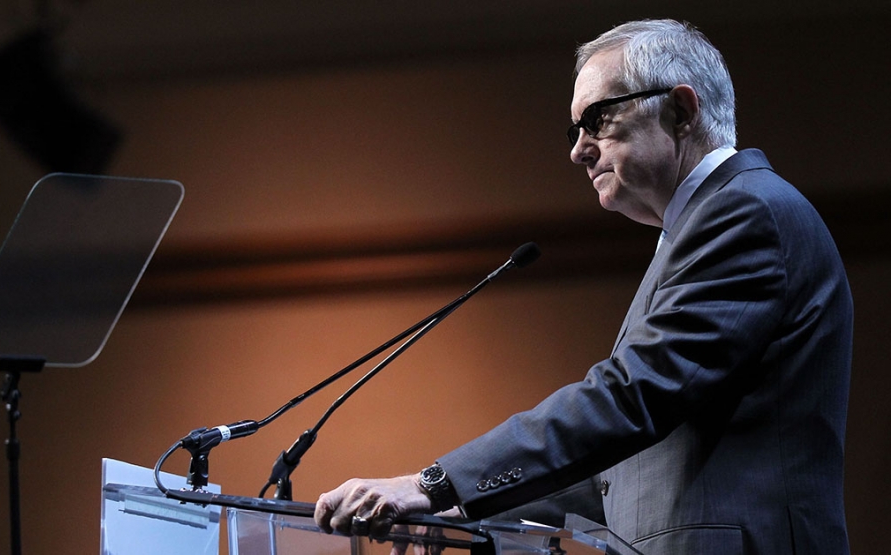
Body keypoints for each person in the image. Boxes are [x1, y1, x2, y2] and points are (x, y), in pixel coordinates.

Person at [314, 19, 853, 555]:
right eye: (574, 130)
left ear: (682, 111)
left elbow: (632, 396)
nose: (578, 150)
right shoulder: (699, 229)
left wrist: (432, 484)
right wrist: (463, 507)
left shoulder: (745, 212)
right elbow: (623, 468)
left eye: (597, 120)